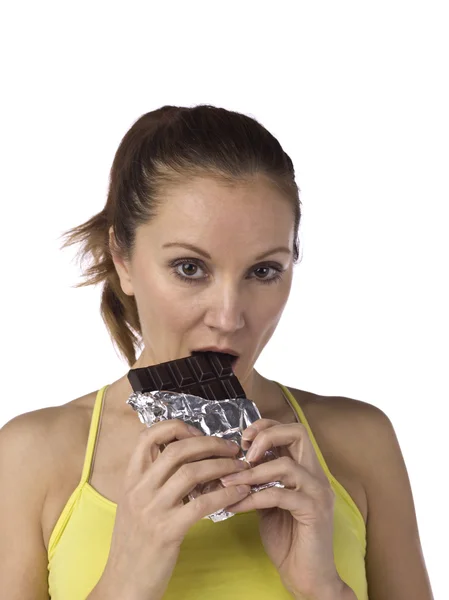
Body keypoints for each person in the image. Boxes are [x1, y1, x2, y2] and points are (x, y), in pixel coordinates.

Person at [0, 105, 433, 600]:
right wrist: (126, 578)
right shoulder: (31, 456)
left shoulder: (360, 442)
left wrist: (323, 589)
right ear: (123, 260)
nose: (229, 317)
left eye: (263, 271)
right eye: (189, 268)